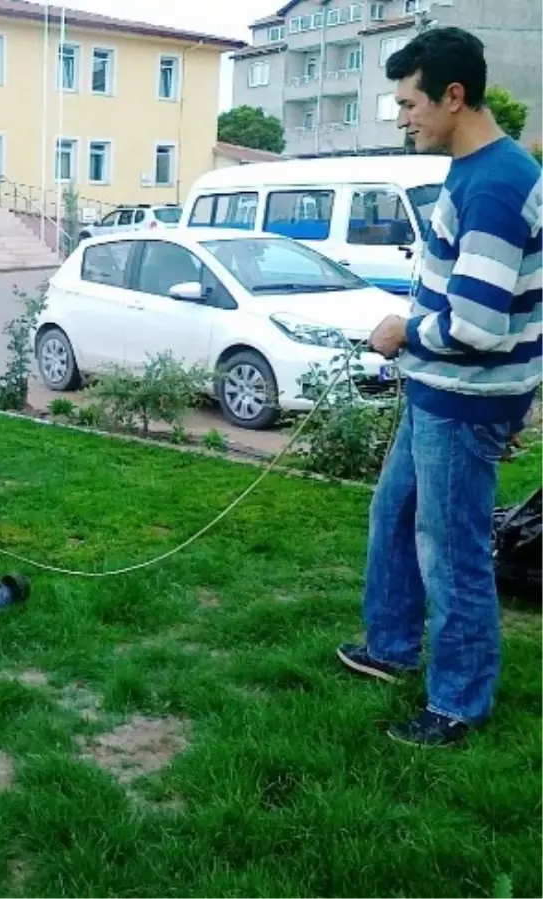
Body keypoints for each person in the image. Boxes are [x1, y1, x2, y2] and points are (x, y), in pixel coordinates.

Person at [338, 27, 543, 747]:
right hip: (445, 392)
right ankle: (391, 648)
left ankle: (458, 703)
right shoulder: (477, 167)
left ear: (454, 96)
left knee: (451, 553)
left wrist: (402, 332)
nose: (402, 118)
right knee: (395, 517)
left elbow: (480, 323)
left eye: (408, 103)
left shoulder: (493, 183)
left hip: (462, 401)